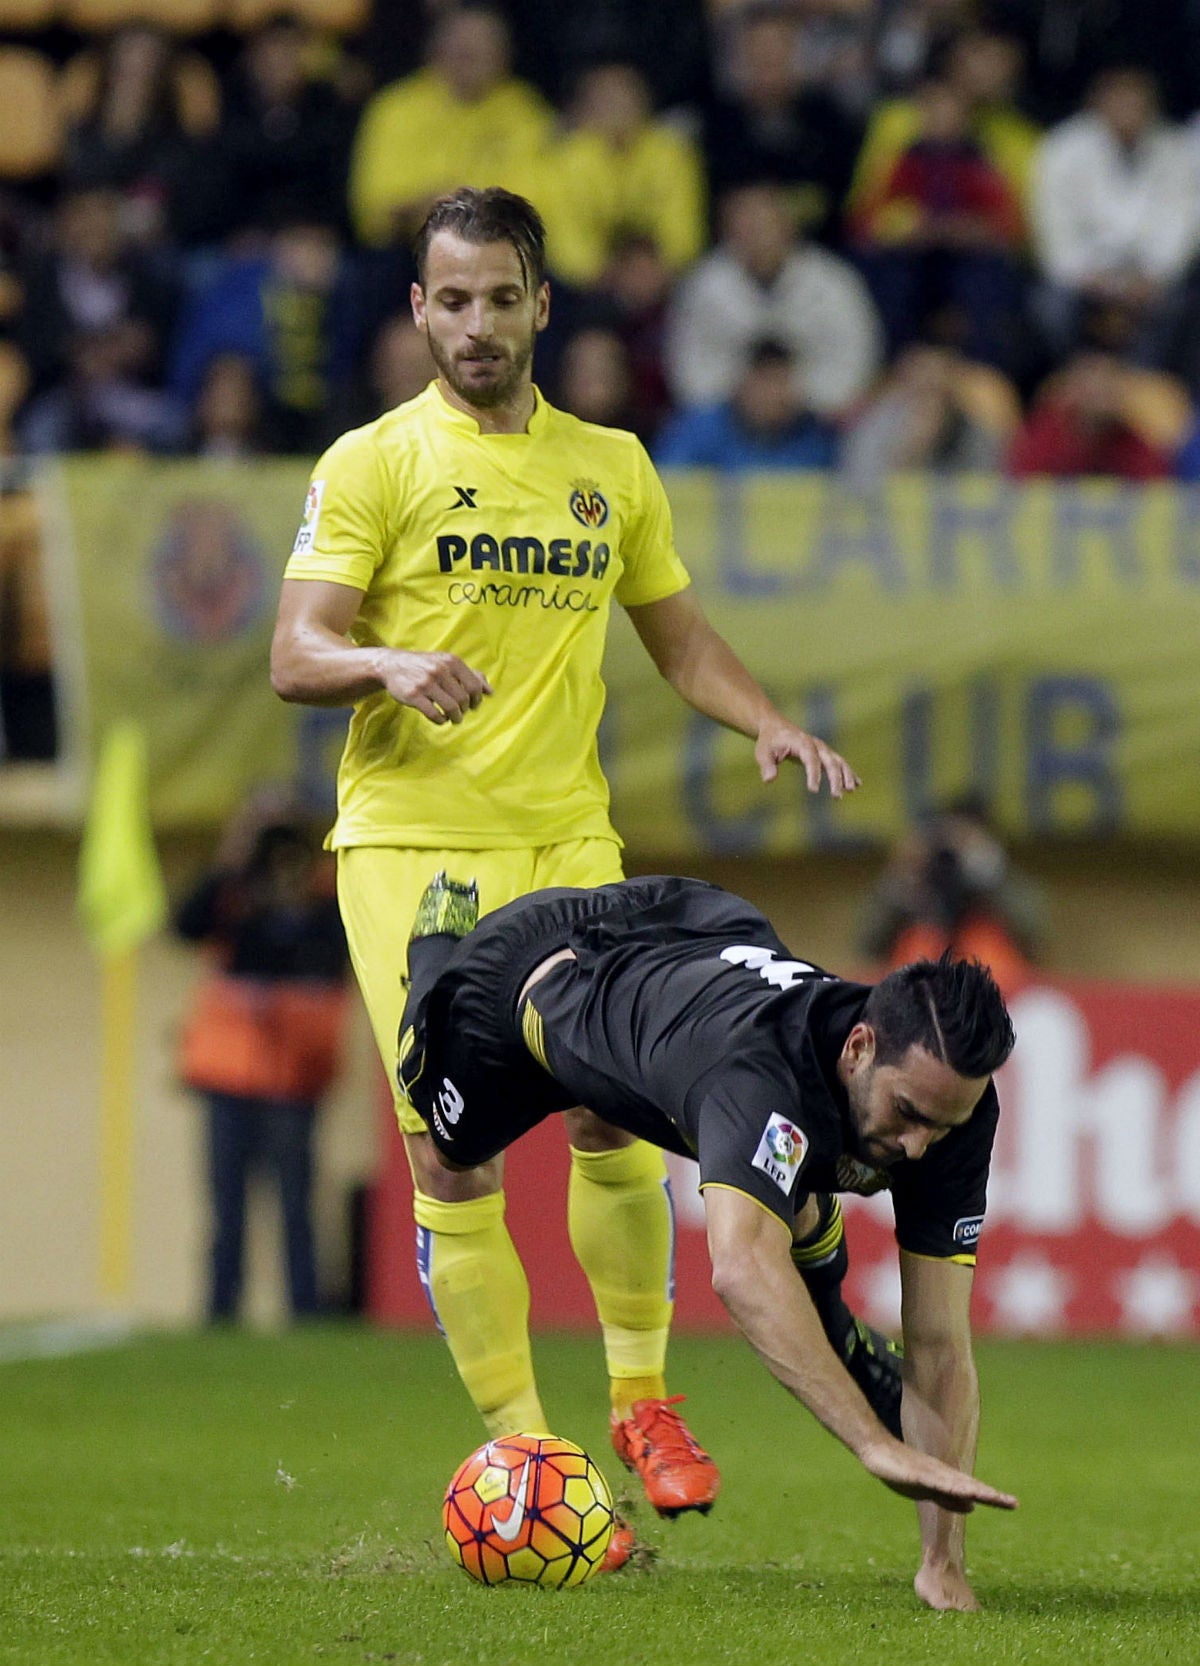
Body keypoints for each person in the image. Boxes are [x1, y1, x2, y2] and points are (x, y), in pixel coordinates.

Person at [269, 186, 859, 1555]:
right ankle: (531, 1451)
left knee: (616, 1115)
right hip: (415, 852)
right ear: (418, 310)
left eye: (500, 297)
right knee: (450, 1150)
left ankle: (643, 1401)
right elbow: (296, 652)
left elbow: (680, 638)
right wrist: (383, 662)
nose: (477, 324)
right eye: (452, 300)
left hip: (570, 846)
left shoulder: (613, 467)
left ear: (542, 303)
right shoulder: (374, 462)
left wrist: (764, 717)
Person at [397, 871, 1019, 1608]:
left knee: (770, 1173)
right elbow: (741, 1270)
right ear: (859, 1047)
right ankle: (433, 947)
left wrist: (943, 1562)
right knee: (446, 1151)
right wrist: (873, 1442)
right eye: (908, 1113)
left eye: (942, 1126)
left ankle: (822, 1281)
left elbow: (941, 1342)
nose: (919, 1147)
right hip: (532, 974)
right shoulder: (759, 1076)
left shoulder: (951, 1109)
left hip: (696, 937)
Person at [175, 793, 350, 1322]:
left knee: (297, 1200)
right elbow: (184, 925)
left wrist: (307, 882)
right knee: (225, 1201)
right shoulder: (234, 891)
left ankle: (306, 1309)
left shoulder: (324, 898)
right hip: (229, 1072)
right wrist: (232, 857)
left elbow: (341, 950)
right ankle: (220, 1309)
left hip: (293, 1074)